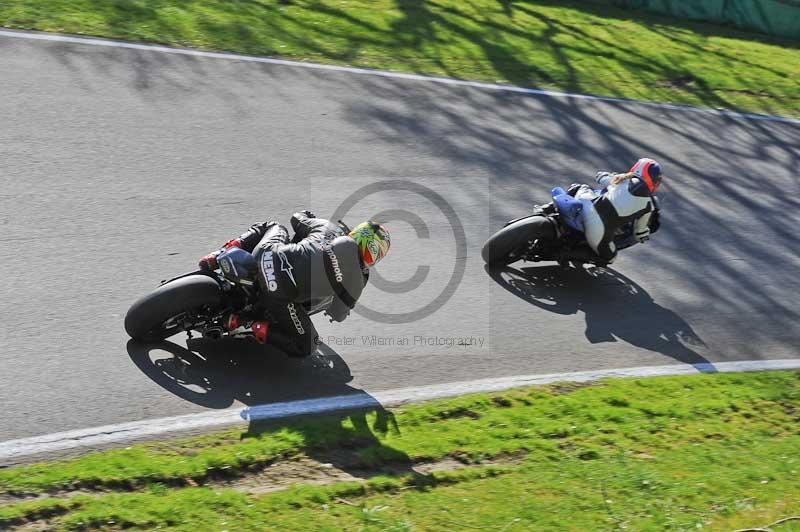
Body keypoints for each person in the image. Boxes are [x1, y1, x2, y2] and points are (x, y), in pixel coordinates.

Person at [197, 211, 390, 357]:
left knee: (272, 225)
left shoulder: (329, 227)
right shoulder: (357, 280)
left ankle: (217, 255)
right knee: (307, 346)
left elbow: (296, 218)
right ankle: (241, 323)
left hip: (266, 255)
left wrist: (309, 216)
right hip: (279, 296)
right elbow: (338, 313)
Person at [559, 157, 662, 265]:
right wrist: (645, 235)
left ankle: (547, 209)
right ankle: (566, 254)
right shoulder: (649, 205)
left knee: (580, 187)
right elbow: (640, 232)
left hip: (586, 204)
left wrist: (609, 175)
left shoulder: (623, 179)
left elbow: (599, 177)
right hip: (598, 228)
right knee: (610, 257)